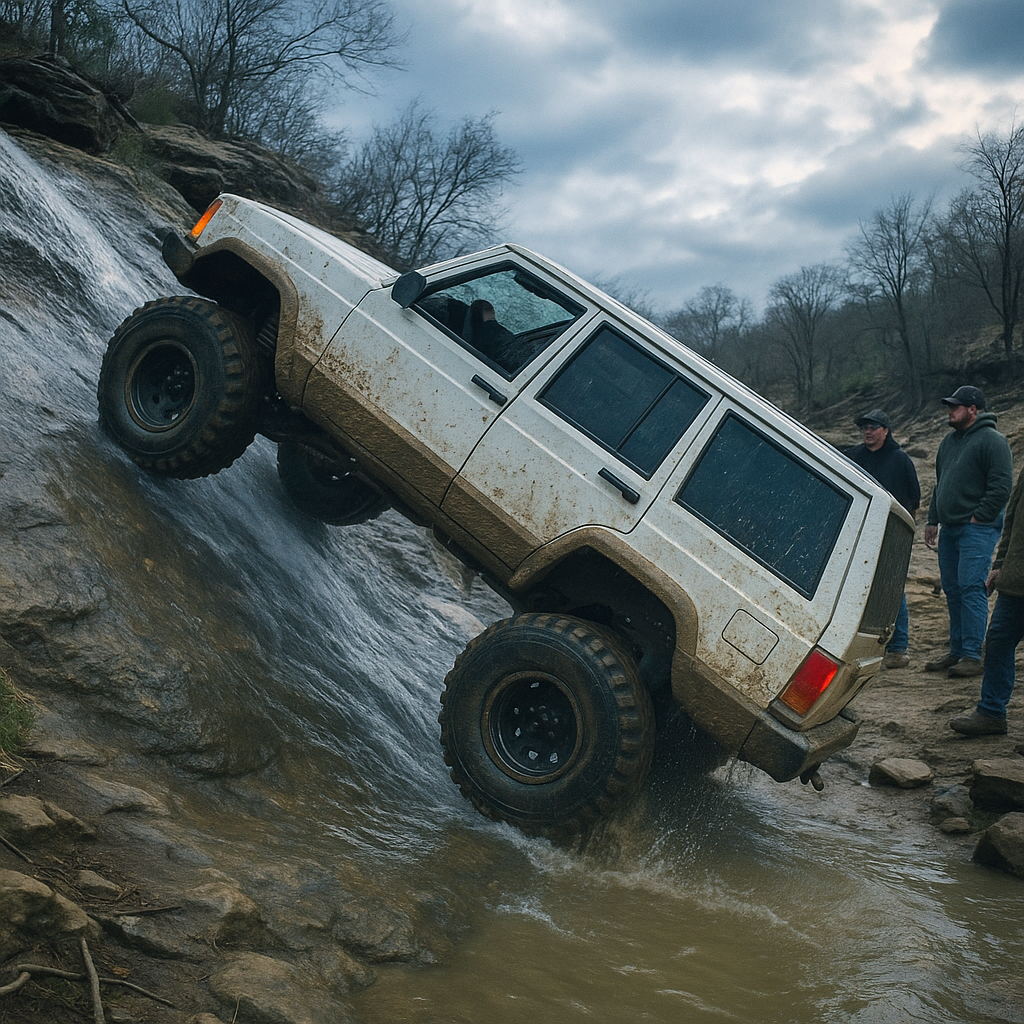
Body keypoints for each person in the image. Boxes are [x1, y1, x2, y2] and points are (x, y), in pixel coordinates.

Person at [924, 386, 1013, 677]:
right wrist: (933, 520)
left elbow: (1001, 486)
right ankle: (958, 651)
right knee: (952, 590)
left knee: (972, 588)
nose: (950, 411)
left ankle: (973, 656)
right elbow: (941, 483)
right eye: (949, 406)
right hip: (949, 529)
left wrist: (979, 518)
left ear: (973, 409)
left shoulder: (993, 441)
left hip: (977, 530)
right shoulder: (949, 443)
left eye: (956, 406)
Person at [949, 464, 1024, 735]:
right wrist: (1001, 563)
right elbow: (1013, 518)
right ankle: (992, 712)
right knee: (998, 641)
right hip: (1015, 581)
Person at [846, 408, 921, 668]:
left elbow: (914, 501)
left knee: (891, 592)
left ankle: (898, 649)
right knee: (854, 588)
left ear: (886, 431)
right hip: (856, 532)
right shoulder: (854, 456)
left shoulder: (900, 460)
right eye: (865, 426)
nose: (868, 430)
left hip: (891, 536)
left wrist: (901, 536)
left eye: (874, 426)